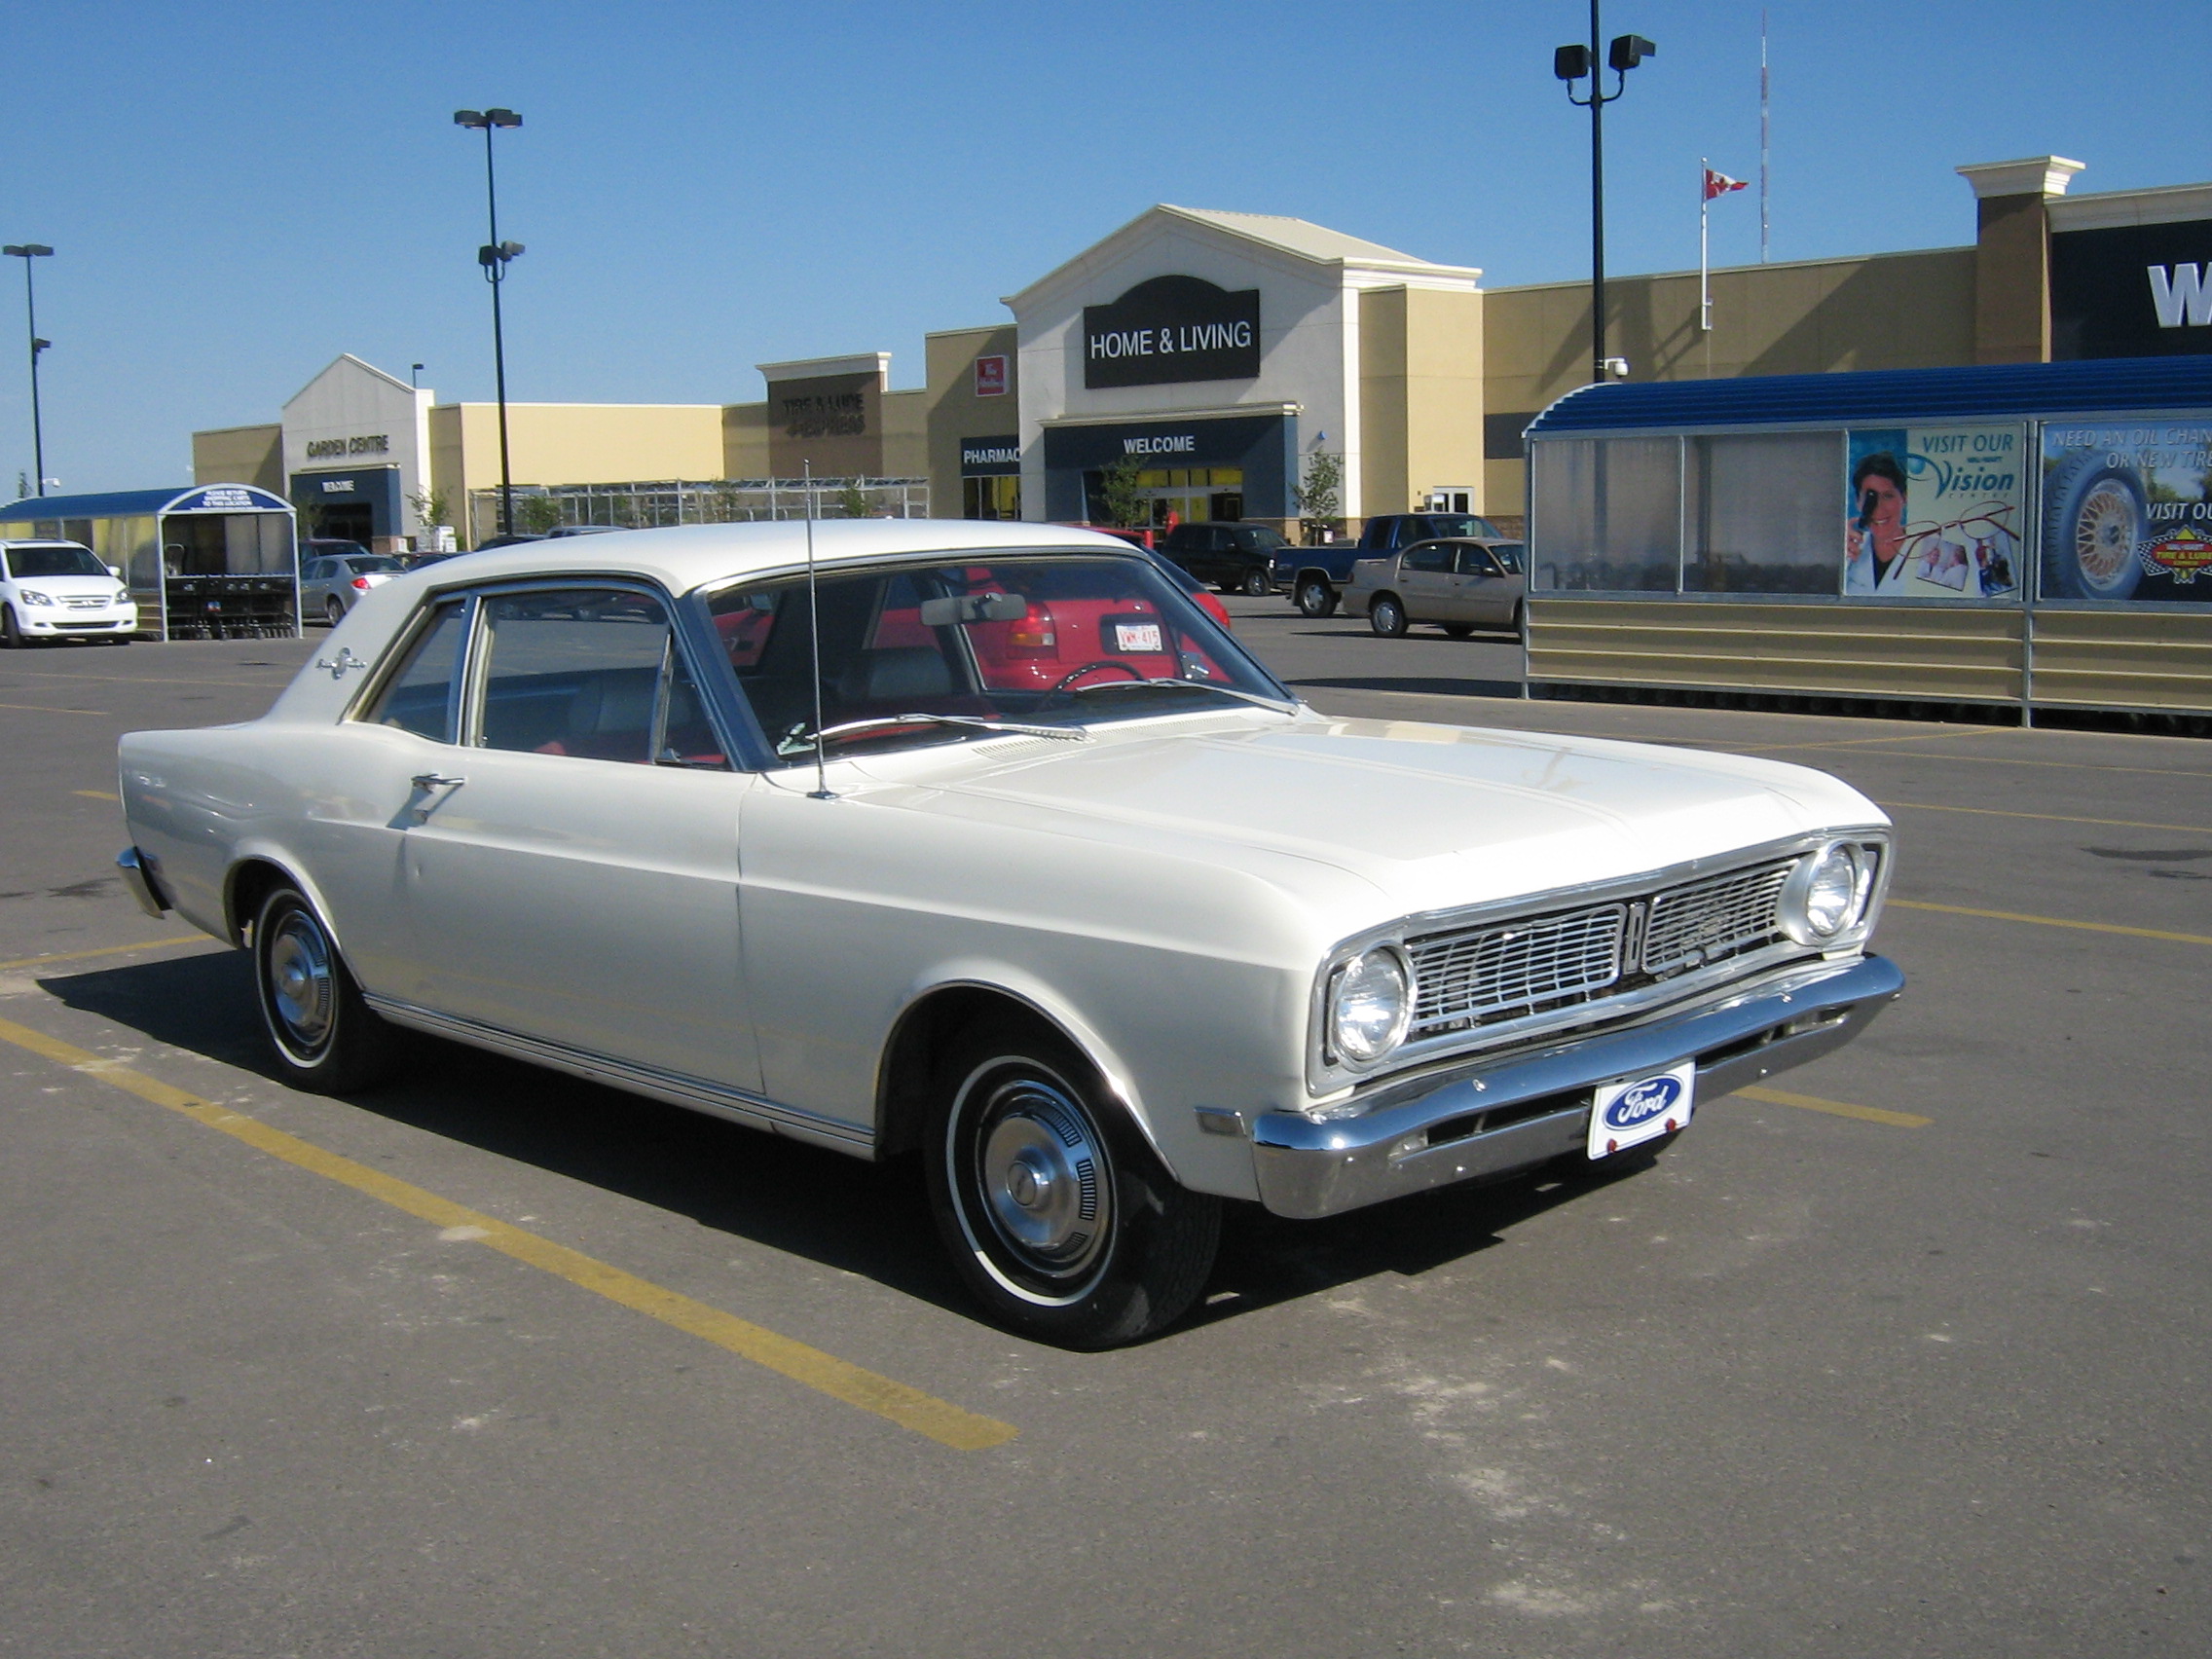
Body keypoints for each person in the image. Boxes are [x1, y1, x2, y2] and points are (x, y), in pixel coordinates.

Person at [1845, 453, 1910, 593]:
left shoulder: (1928, 551)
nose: (1879, 508)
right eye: (1870, 497)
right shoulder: (1847, 549)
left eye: (1887, 496)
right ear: (1858, 502)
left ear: (1904, 498)